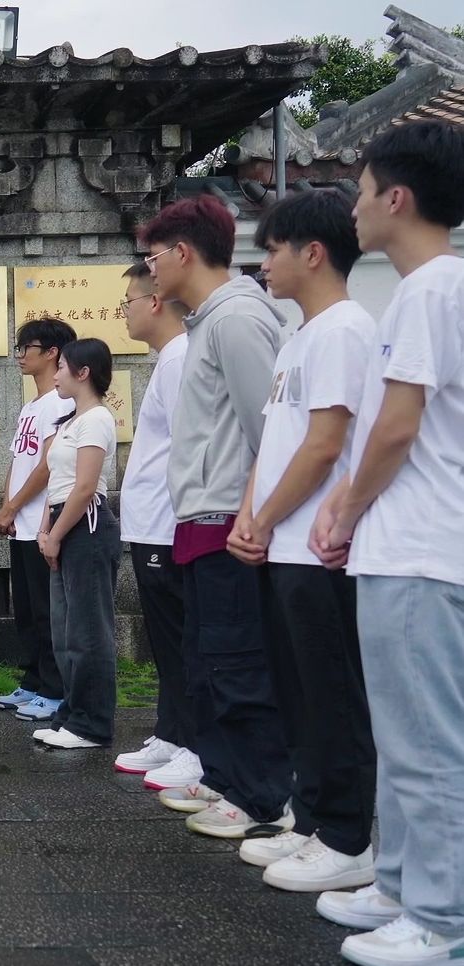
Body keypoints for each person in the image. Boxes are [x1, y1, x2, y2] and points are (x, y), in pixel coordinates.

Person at [309, 121, 464, 966]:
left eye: (363, 189)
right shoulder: (437, 287)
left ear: (396, 199)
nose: (355, 206)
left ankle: (443, 920)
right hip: (417, 548)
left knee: (428, 746)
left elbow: (398, 427)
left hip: (416, 552)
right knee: (408, 736)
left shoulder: (429, 290)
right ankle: (402, 886)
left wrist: (343, 510)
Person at [227, 189, 377, 894]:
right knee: (298, 691)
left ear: (312, 253)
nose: (262, 264)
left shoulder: (347, 328)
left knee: (332, 694)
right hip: (280, 542)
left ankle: (348, 835)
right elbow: (275, 441)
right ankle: (312, 816)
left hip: (317, 550)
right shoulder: (298, 336)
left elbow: (324, 446)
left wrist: (265, 516)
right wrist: (249, 512)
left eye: (273, 248)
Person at [139, 194, 294, 840]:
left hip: (233, 516)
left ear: (183, 253)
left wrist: (257, 516)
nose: (148, 272)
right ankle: (228, 778)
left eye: (153, 257)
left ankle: (261, 795)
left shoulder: (235, 321)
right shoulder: (209, 323)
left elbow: (272, 430)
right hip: (201, 519)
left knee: (237, 662)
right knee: (209, 660)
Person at [111, 263, 196, 789]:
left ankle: (193, 741)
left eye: (129, 300)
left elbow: (189, 447)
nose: (124, 309)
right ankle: (171, 730)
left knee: (181, 636)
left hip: (169, 525)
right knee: (164, 639)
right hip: (150, 526)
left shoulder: (183, 356)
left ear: (156, 302)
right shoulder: (169, 359)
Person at [33, 338, 120, 749]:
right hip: (63, 523)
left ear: (83, 373)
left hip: (84, 526)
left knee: (88, 632)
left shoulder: (98, 418)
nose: (56, 375)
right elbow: (57, 483)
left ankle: (92, 723)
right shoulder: (68, 422)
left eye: (62, 367)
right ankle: (71, 714)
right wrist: (45, 530)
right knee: (64, 631)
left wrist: (55, 535)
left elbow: (85, 487)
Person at [0, 318, 75, 722]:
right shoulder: (31, 406)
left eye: (28, 347)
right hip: (20, 524)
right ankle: (32, 681)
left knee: (47, 611)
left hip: (42, 524)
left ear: (53, 352)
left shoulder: (60, 402)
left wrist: (15, 507)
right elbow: (18, 461)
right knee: (25, 610)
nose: (20, 355)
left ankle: (55, 689)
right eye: (19, 347)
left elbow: (46, 466)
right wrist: (7, 505)